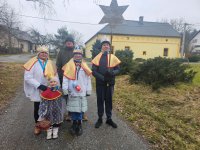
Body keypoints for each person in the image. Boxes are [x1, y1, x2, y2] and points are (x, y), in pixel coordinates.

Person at [23, 45, 57, 135]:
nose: (44, 54)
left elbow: (55, 75)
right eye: (42, 52)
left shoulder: (50, 63)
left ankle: (46, 124)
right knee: (38, 108)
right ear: (38, 53)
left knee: (48, 108)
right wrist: (39, 86)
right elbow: (28, 77)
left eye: (46, 53)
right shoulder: (32, 63)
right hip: (37, 89)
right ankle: (37, 125)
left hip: (49, 89)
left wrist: (55, 85)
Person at [56, 35, 88, 121]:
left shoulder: (76, 51)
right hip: (66, 77)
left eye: (70, 41)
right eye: (67, 41)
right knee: (68, 96)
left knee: (80, 94)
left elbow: (82, 62)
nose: (69, 43)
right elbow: (58, 65)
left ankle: (82, 112)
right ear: (65, 43)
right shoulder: (61, 52)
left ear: (73, 43)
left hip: (78, 77)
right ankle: (70, 113)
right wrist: (60, 77)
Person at [91, 38, 121, 129]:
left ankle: (109, 118)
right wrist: (103, 78)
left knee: (109, 101)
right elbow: (94, 71)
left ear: (109, 47)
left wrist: (112, 73)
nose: (106, 46)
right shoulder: (97, 57)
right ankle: (100, 118)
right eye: (104, 45)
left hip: (110, 83)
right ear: (102, 47)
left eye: (107, 44)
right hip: (100, 83)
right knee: (100, 101)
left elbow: (118, 69)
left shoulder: (113, 57)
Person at [62, 48, 92, 136]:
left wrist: (88, 89)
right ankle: (74, 123)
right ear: (73, 55)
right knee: (74, 108)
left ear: (81, 56)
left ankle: (79, 124)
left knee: (80, 108)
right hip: (72, 91)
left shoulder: (85, 66)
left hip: (82, 91)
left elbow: (88, 79)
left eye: (80, 54)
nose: (78, 55)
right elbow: (65, 78)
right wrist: (65, 89)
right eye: (76, 54)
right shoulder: (69, 66)